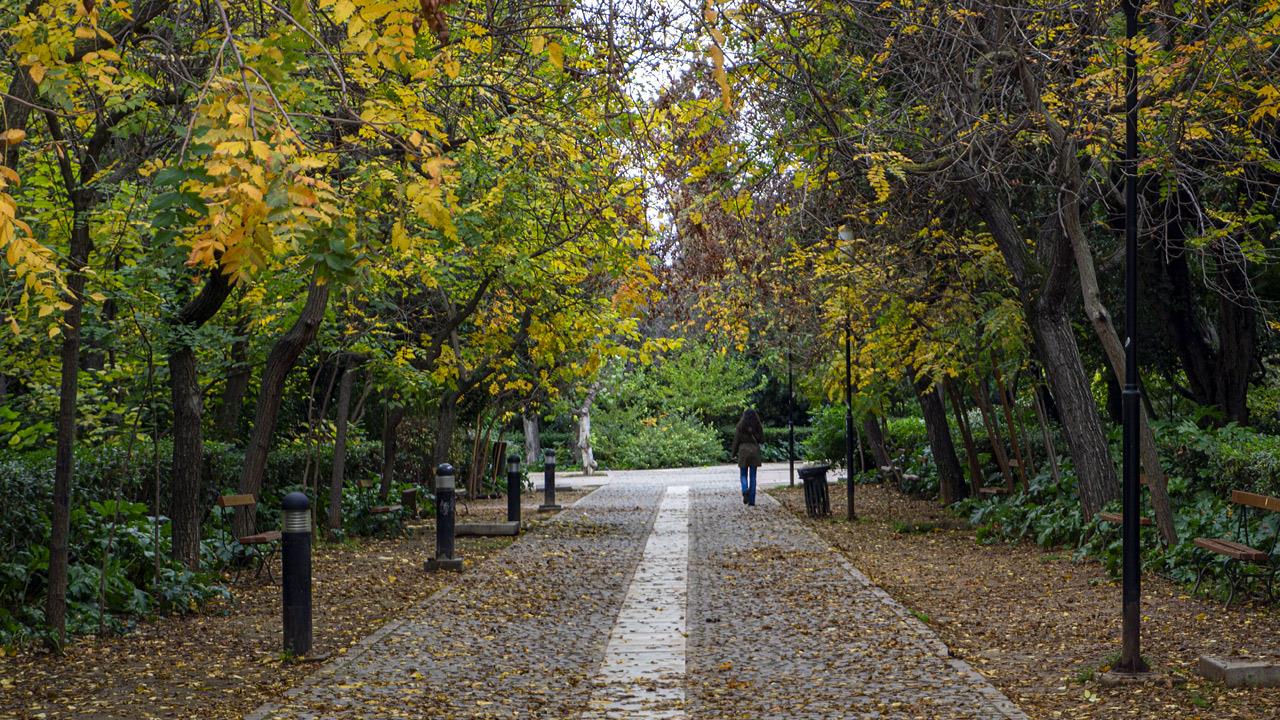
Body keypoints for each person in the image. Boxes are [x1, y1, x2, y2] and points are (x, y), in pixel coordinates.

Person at [731, 408, 764, 506]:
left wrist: (733, 454)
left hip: (743, 452)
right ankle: (752, 501)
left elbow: (736, 441)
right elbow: (762, 439)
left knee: (743, 475)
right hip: (754, 451)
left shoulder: (740, 426)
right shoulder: (758, 426)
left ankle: (745, 491)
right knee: (753, 477)